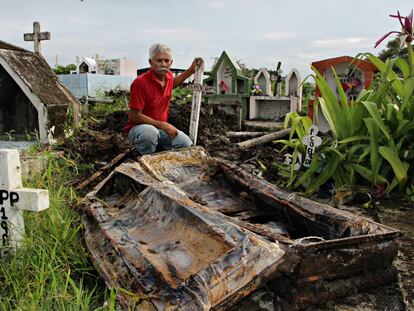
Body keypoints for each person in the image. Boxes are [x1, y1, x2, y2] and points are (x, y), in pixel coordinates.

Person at [124, 43, 198, 155]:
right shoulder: (140, 83)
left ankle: (160, 156)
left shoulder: (168, 78)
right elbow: (134, 116)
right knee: (149, 133)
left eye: (167, 61)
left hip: (159, 130)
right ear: (150, 62)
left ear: (171, 62)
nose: (163, 64)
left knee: (185, 143)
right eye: (159, 60)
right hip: (139, 129)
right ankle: (142, 157)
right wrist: (163, 125)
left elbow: (175, 82)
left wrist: (191, 70)